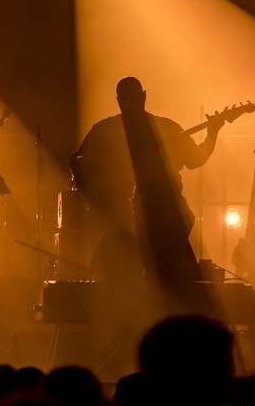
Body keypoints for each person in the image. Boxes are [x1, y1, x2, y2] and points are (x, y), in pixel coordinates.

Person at [71, 76, 224, 316]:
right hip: (145, 222)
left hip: (163, 218)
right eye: (127, 99)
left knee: (146, 279)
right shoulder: (162, 129)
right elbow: (196, 159)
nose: (130, 103)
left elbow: (76, 162)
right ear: (140, 96)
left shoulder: (109, 129)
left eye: (131, 99)